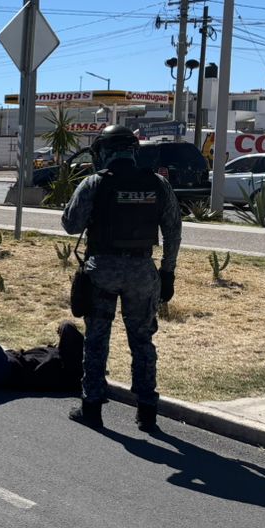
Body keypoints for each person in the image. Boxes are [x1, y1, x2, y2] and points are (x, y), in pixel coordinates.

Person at [60, 124, 182, 432]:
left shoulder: (94, 183)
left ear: (104, 151)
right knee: (142, 341)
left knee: (97, 339)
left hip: (102, 269)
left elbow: (70, 226)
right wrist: (168, 272)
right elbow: (173, 231)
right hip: (143, 271)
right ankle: (147, 410)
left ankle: (92, 406)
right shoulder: (157, 183)